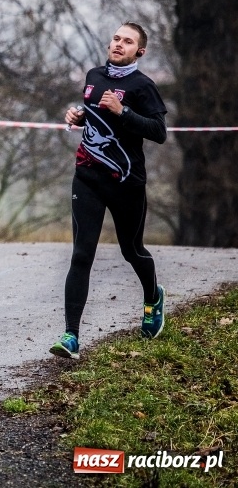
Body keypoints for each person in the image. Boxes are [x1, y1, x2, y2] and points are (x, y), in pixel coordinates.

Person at [50, 22, 168, 360]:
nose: (119, 44)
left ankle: (152, 298)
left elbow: (159, 131)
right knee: (81, 254)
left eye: (127, 41)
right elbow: (93, 117)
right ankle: (71, 335)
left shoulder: (143, 87)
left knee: (132, 251)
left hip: (126, 183)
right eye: (116, 39)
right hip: (87, 177)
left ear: (139, 52)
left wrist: (124, 112)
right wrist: (76, 116)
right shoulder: (93, 76)